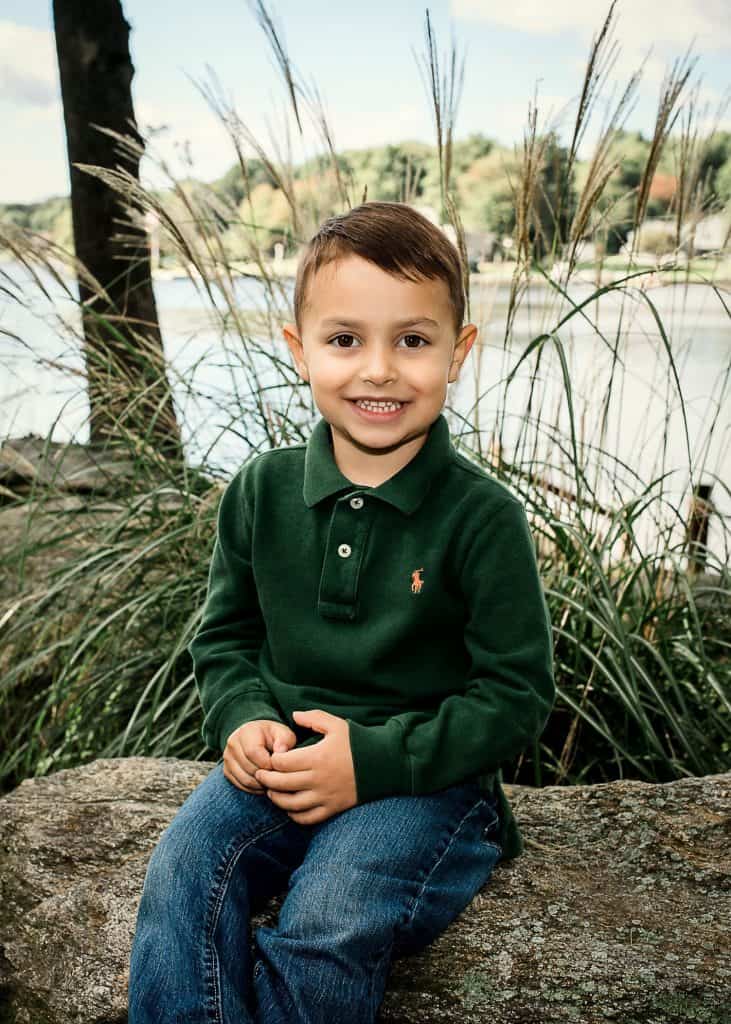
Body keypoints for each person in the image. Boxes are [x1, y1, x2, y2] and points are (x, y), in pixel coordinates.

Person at [127, 200, 555, 1023]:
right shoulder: (259, 490)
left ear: (458, 353)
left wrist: (371, 763)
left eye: (413, 340)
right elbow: (225, 637)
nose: (379, 370)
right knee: (182, 871)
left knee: (330, 911)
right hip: (282, 763)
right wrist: (244, 719)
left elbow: (515, 697)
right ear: (299, 350)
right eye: (345, 339)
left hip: (425, 784)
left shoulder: (480, 516)